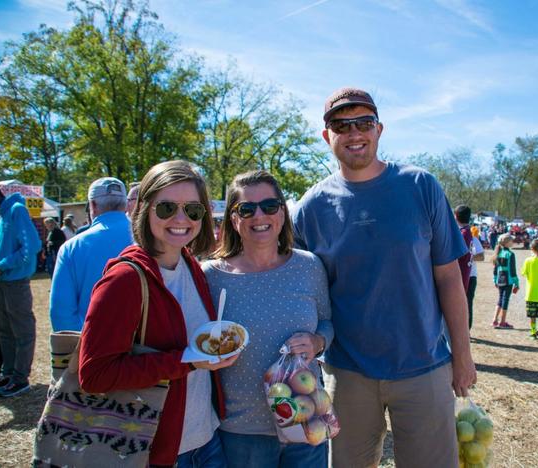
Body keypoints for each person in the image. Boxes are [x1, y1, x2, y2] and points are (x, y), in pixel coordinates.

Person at [292, 87, 476, 468]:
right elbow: (296, 286)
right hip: (346, 374)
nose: (354, 133)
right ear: (327, 136)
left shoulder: (420, 186)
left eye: (364, 123)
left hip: (423, 366)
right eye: (342, 125)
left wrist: (463, 354)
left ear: (380, 129)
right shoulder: (311, 208)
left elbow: (448, 278)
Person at [78, 161, 236, 466]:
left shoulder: (193, 267)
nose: (181, 219)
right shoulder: (124, 280)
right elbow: (94, 375)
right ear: (144, 209)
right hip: (158, 450)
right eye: (166, 208)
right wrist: (186, 361)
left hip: (208, 439)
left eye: (193, 210)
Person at [203, 170, 333, 467]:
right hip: (242, 432)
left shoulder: (309, 266)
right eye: (246, 209)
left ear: (283, 214)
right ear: (233, 220)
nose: (258, 215)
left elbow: (326, 322)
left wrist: (317, 341)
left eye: (269, 206)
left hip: (305, 420)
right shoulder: (210, 277)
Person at [49, 177, 133, 331]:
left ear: (92, 205)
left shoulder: (71, 248)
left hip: (91, 344)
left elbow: (61, 313)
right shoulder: (151, 240)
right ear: (127, 205)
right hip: (146, 347)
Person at [0, 185, 41, 397]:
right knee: (4, 330)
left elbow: (31, 247)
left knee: (22, 331)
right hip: (3, 281)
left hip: (16, 281)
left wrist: (2, 265)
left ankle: (20, 378)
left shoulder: (16, 209)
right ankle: (9, 373)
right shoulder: (3, 215)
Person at [492, 234, 519, 329]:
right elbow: (512, 270)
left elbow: (495, 269)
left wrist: (494, 280)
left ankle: (495, 320)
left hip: (499, 279)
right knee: (505, 300)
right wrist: (517, 283)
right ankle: (502, 322)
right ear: (507, 243)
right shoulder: (511, 254)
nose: (513, 242)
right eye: (511, 241)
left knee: (500, 299)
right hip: (508, 280)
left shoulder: (498, 253)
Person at [455, 205, 473, 324]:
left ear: (456, 216)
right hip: (464, 273)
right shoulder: (467, 231)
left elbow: (457, 254)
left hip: (460, 274)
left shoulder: (463, 233)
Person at [467, 234, 485, 331]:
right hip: (454, 276)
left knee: (467, 304)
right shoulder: (450, 236)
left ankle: (466, 330)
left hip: (470, 276)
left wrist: (468, 256)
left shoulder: (473, 239)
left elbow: (481, 256)